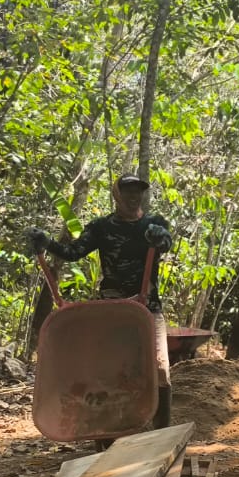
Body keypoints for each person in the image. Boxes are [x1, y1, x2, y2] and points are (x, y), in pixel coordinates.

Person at [26, 174, 174, 429]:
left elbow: (166, 243)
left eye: (138, 191)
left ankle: (163, 431)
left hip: (148, 309)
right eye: (127, 191)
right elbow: (73, 253)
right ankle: (107, 430)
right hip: (113, 310)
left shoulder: (153, 224)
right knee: (109, 370)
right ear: (116, 195)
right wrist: (46, 242)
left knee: (160, 368)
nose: (133, 196)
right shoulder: (101, 227)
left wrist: (161, 237)